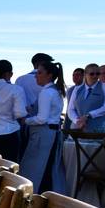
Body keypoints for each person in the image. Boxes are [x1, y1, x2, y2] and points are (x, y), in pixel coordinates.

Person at [19, 60, 66, 193]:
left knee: (35, 169)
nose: (36, 76)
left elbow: (42, 118)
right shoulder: (54, 91)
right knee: (47, 169)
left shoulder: (47, 93)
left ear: (49, 75)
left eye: (40, 73)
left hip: (43, 134)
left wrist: (26, 121)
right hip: (51, 133)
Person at [69, 63, 105, 132]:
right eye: (92, 74)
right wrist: (77, 121)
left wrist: (89, 115)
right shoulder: (77, 89)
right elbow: (70, 109)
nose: (95, 76)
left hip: (98, 130)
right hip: (78, 129)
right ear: (85, 75)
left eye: (97, 74)